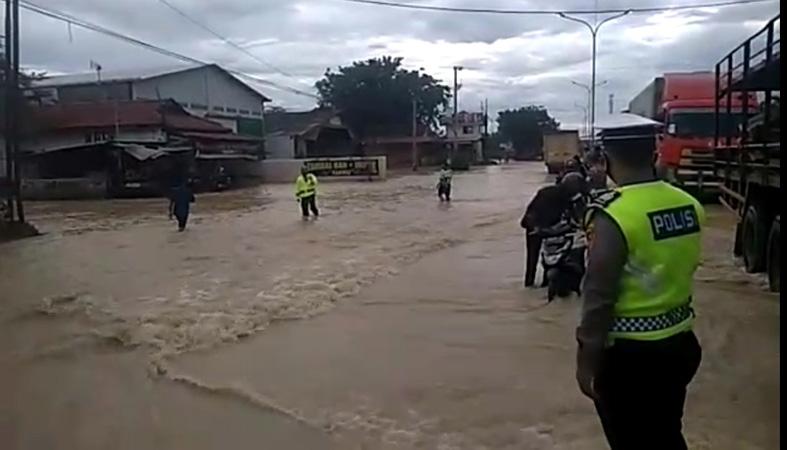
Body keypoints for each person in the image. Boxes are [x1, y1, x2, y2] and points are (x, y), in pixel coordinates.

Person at [576, 125, 704, 450]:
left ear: (605, 160)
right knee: (666, 433)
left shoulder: (613, 215)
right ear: (654, 152)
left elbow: (598, 295)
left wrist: (586, 361)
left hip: (630, 359)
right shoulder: (689, 205)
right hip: (681, 345)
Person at [519, 174, 586, 288]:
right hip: (535, 227)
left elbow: (576, 214)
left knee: (544, 255)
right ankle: (530, 283)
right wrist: (536, 227)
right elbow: (532, 212)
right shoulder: (547, 193)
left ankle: (543, 283)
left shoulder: (568, 196)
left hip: (553, 229)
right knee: (532, 258)